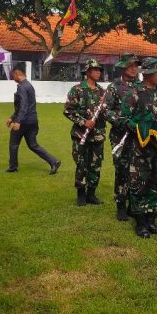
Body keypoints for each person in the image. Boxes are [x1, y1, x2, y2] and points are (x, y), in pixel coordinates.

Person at [122, 57, 157, 238]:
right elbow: (122, 118)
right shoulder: (134, 93)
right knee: (139, 184)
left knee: (156, 183)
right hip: (140, 150)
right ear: (148, 73)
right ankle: (140, 223)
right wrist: (139, 129)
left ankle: (152, 220)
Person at [104, 53, 141, 221]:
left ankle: (135, 205)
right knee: (122, 170)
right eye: (130, 65)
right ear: (123, 67)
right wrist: (122, 121)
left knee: (138, 171)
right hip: (121, 136)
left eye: (136, 65)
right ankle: (121, 205)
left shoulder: (142, 87)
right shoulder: (114, 87)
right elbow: (106, 110)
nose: (134, 68)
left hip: (140, 136)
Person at [64, 58, 107, 206]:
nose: (98, 72)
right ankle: (81, 194)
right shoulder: (77, 89)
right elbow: (68, 111)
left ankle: (92, 194)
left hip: (98, 135)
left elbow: (107, 112)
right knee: (81, 164)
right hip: (80, 135)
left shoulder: (103, 92)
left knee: (95, 165)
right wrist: (83, 122)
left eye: (99, 70)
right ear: (87, 72)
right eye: (95, 69)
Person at [5, 66, 60, 175]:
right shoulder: (29, 85)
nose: (12, 77)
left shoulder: (22, 87)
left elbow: (24, 106)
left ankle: (13, 167)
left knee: (14, 144)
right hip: (33, 121)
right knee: (33, 145)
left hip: (24, 121)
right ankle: (54, 161)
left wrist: (18, 121)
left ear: (17, 74)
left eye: (13, 75)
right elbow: (24, 106)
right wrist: (12, 117)